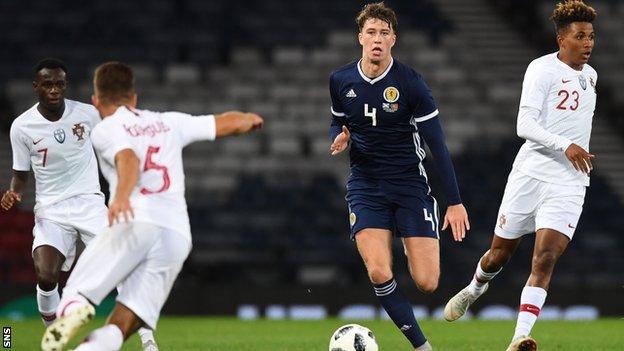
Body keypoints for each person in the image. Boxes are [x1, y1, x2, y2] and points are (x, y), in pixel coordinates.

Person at [41, 61, 263, 351]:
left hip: (136, 221)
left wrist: (120, 196)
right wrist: (249, 119)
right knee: (122, 325)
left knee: (76, 293)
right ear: (134, 97)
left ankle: (73, 311)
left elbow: (128, 159)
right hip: (176, 235)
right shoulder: (168, 121)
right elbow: (225, 122)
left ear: (96, 101)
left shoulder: (105, 129)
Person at [443, 1, 597, 350]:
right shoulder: (541, 70)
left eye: (591, 37)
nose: (587, 44)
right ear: (561, 39)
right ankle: (474, 289)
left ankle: (519, 337)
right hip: (529, 174)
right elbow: (523, 125)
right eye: (579, 36)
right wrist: (566, 145)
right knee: (499, 254)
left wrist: (578, 150)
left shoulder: (591, 76)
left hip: (569, 182)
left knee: (545, 257)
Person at [329, 3, 470, 350]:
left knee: (427, 282)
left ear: (394, 39)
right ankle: (423, 347)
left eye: (384, 33)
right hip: (366, 186)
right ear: (360, 37)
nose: (377, 39)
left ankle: (412, 237)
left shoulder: (410, 83)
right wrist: (340, 133)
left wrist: (454, 201)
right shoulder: (340, 80)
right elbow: (338, 119)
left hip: (410, 186)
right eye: (371, 32)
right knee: (378, 271)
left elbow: (436, 144)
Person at [1, 58, 160, 351]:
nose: (54, 89)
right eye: (47, 83)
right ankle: (56, 336)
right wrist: (15, 192)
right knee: (46, 276)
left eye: (59, 83)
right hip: (51, 210)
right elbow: (20, 173)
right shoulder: (21, 127)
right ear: (36, 87)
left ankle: (148, 341)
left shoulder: (87, 114)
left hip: (90, 204)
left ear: (65, 84)